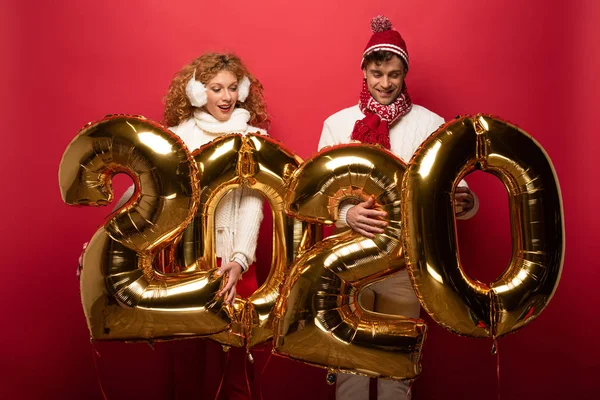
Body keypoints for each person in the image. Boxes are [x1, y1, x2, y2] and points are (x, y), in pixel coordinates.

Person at [318, 16, 479, 400]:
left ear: (405, 73)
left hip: (405, 263)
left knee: (396, 366)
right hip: (350, 261)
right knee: (350, 361)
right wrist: (346, 215)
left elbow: (458, 192)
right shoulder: (338, 124)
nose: (385, 83)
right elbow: (318, 196)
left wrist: (466, 202)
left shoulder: (430, 124)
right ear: (363, 70)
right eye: (377, 73)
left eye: (393, 74)